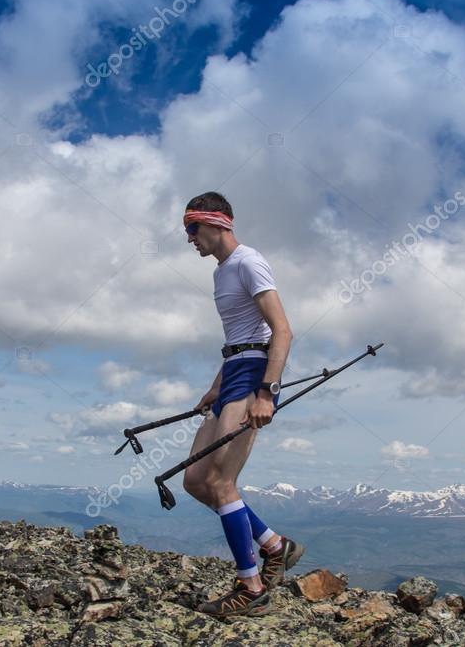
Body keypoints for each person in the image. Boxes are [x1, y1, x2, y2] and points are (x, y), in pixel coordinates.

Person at [180, 191, 304, 618]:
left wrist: (267, 391)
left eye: (192, 228)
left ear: (217, 223)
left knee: (221, 483)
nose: (190, 238)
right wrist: (216, 385)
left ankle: (250, 586)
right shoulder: (220, 274)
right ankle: (274, 545)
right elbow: (237, 337)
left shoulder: (249, 261)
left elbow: (282, 331)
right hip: (234, 371)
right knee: (195, 479)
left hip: (254, 376)